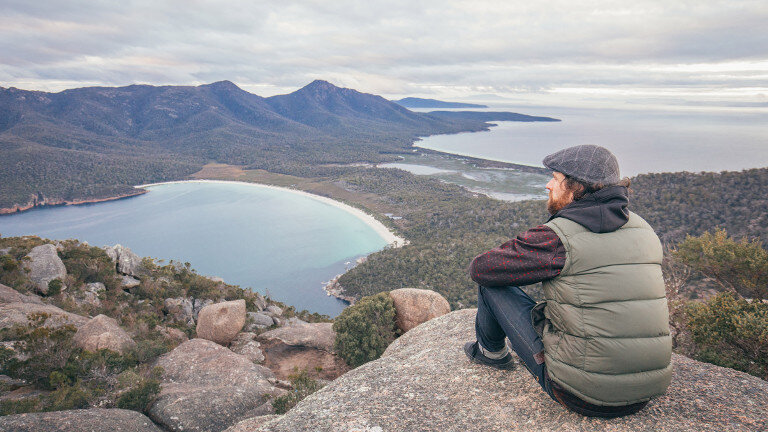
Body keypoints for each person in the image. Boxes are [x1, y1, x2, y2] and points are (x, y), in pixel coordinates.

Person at [463, 144, 672, 418]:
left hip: (582, 395)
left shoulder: (557, 237)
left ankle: (491, 354)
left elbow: (482, 268)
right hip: (646, 393)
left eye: (556, 178)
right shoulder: (644, 230)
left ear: (578, 187)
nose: (548, 185)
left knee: (492, 282)